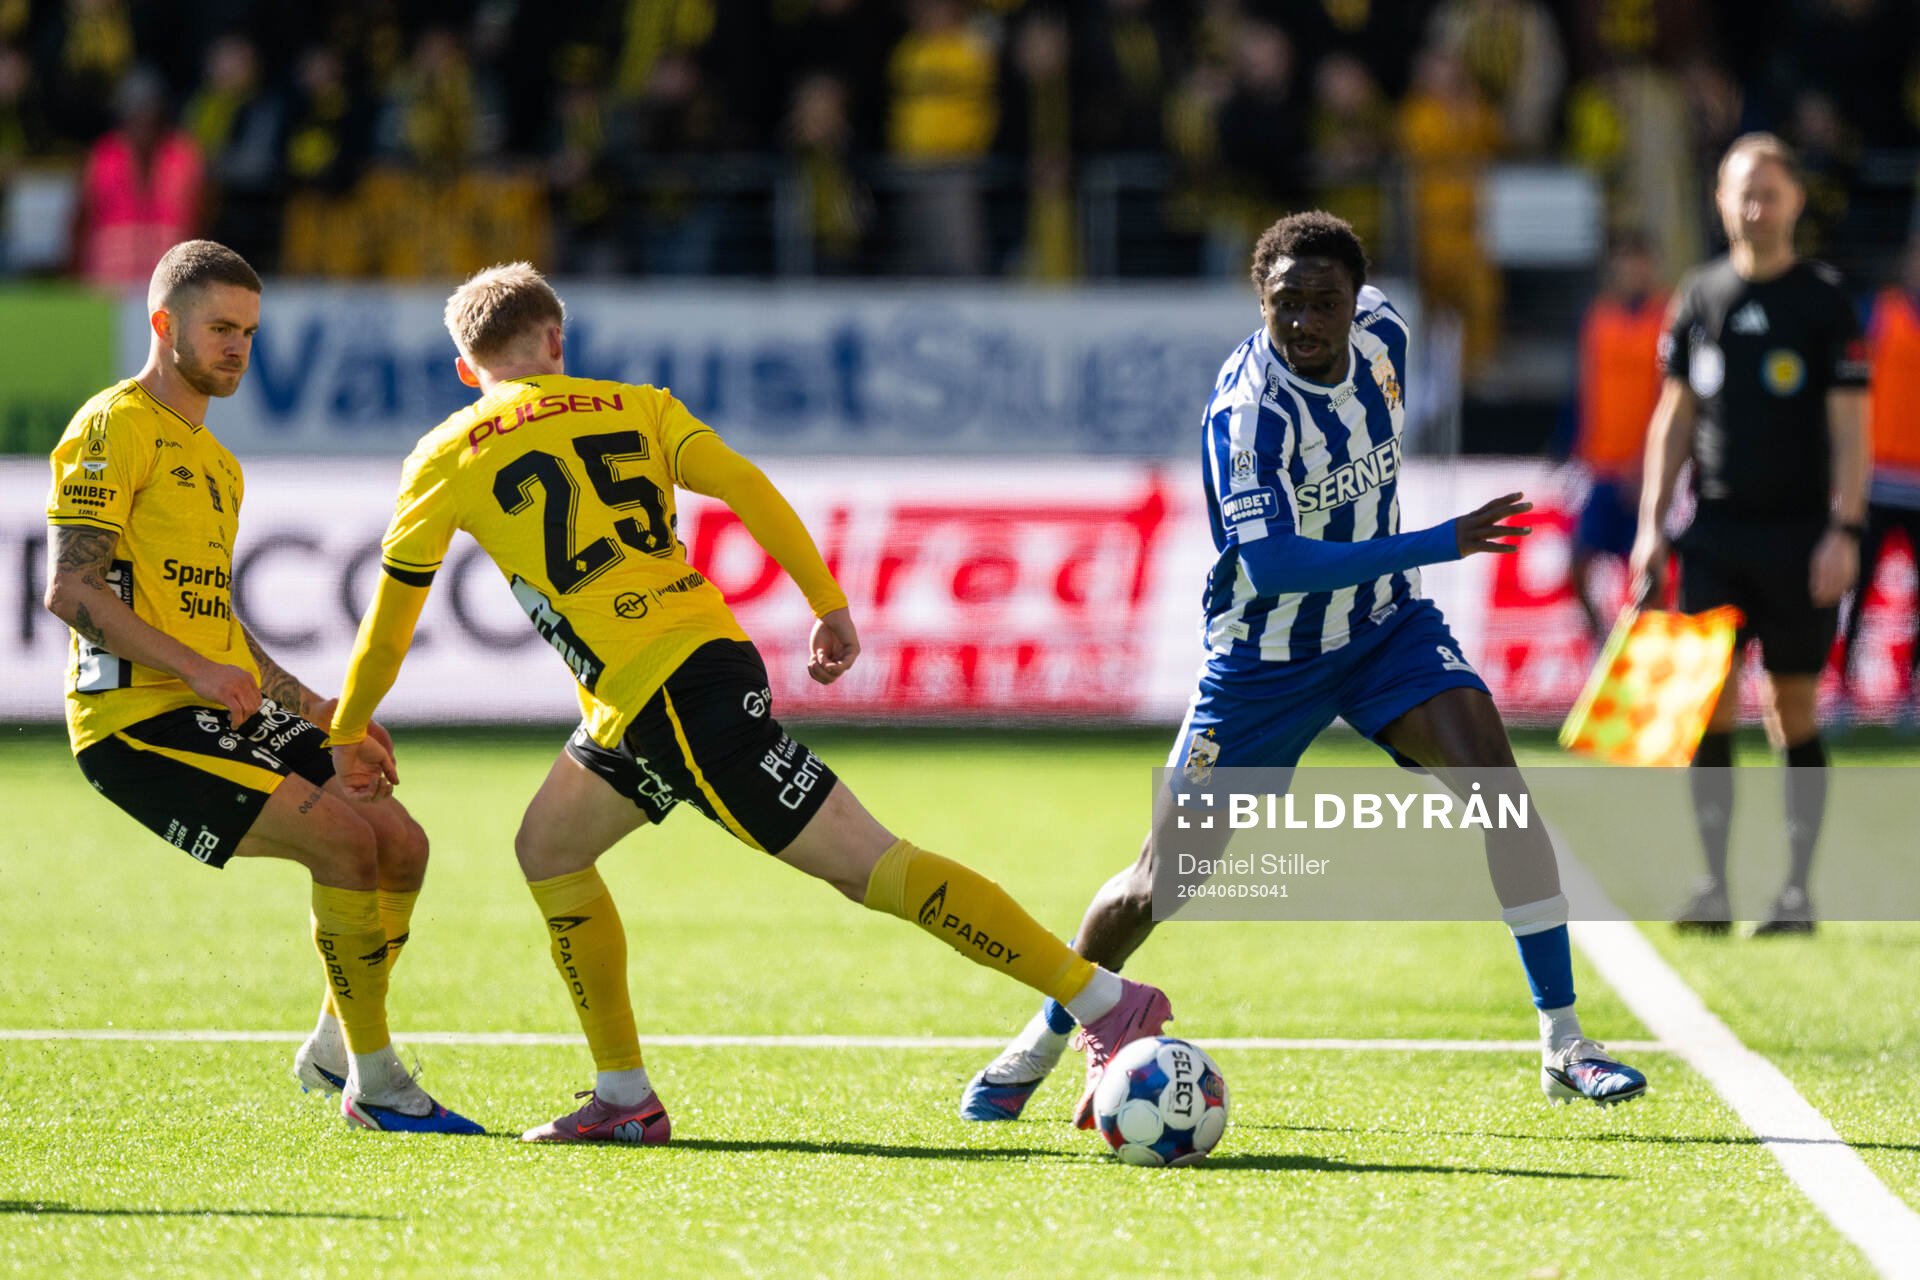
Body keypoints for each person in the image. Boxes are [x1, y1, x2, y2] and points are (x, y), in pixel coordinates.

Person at [324, 263, 1170, 1145]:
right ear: (556, 341)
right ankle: (624, 1095)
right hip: (671, 682)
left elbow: (388, 627)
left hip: (671, 698)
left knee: (871, 866)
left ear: (467, 369)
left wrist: (347, 730)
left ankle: (1102, 999)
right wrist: (826, 602)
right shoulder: (639, 406)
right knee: (550, 847)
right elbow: (744, 485)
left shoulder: (445, 453)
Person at [961, 211, 1649, 1125]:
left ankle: (1564, 1042)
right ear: (1262, 302)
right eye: (1287, 303)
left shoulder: (1389, 333)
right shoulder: (1247, 417)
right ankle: (1045, 1037)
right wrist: (1438, 540)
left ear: (1358, 303)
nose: (1306, 322)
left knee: (1500, 792)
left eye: (1326, 303)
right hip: (1264, 660)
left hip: (1383, 630)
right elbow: (1277, 564)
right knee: (1161, 882)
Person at [41, 239, 478, 1135]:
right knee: (346, 844)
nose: (238, 347)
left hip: (211, 704)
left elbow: (215, 622)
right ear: (164, 325)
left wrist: (313, 705)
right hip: (135, 724)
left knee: (401, 841)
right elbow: (70, 590)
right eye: (220, 328)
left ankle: (333, 1049)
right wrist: (194, 668)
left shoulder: (219, 464)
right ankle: (377, 1086)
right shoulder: (113, 426)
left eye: (248, 331)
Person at [1630, 133, 1870, 936]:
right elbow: (1673, 419)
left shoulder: (1824, 302)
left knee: (1791, 706)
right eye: (1743, 192)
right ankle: (1712, 887)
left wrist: (1845, 527)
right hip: (1715, 532)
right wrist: (1651, 526)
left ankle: (1796, 893)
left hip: (1801, 535)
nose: (1756, 208)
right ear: (1720, 200)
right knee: (1708, 705)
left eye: (1770, 193)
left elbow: (1852, 427)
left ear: (1795, 200)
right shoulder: (1698, 297)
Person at [1570, 231, 1668, 639]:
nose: (1631, 271)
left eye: (1638, 262)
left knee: (1647, 573)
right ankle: (1603, 642)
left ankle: (1646, 650)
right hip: (1602, 467)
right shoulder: (1599, 318)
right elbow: (1586, 390)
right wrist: (1578, 449)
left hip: (1645, 471)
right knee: (1578, 563)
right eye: (1624, 263)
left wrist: (1648, 462)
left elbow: (1670, 398)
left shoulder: (1667, 317)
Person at [1840, 238, 1920, 717]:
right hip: (1876, 481)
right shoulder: (1879, 311)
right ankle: (1843, 687)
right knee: (1858, 585)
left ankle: (1910, 690)